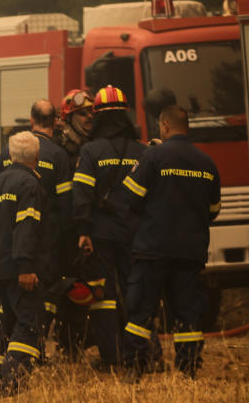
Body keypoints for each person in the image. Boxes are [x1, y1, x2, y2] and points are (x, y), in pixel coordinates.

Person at [118, 105, 221, 381]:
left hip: (153, 248)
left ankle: (135, 367)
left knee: (141, 310)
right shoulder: (207, 163)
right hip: (190, 252)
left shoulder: (153, 157)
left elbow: (131, 198)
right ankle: (188, 368)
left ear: (164, 126)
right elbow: (214, 211)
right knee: (188, 313)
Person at [0, 99, 77, 360]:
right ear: (55, 121)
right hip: (45, 240)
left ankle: (7, 355)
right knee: (43, 296)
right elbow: (66, 205)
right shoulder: (59, 155)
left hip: (7, 243)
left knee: (10, 303)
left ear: (31, 120)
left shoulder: (7, 152)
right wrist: (65, 241)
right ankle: (33, 352)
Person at [72, 85, 145, 370]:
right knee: (137, 291)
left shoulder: (90, 151)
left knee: (104, 296)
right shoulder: (142, 152)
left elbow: (82, 195)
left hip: (101, 235)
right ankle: (142, 353)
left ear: (98, 116)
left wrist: (82, 231)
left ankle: (111, 356)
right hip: (137, 234)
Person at [0, 132, 47, 396]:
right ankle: (8, 383)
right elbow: (27, 227)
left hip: (1, 269)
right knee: (29, 324)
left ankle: (7, 379)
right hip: (22, 270)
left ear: (10, 156)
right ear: (37, 158)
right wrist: (27, 266)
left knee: (9, 324)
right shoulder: (30, 185)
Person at [57, 88, 95, 161]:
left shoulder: (96, 144)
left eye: (91, 112)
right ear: (69, 118)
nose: (90, 116)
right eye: (82, 113)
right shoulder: (59, 148)